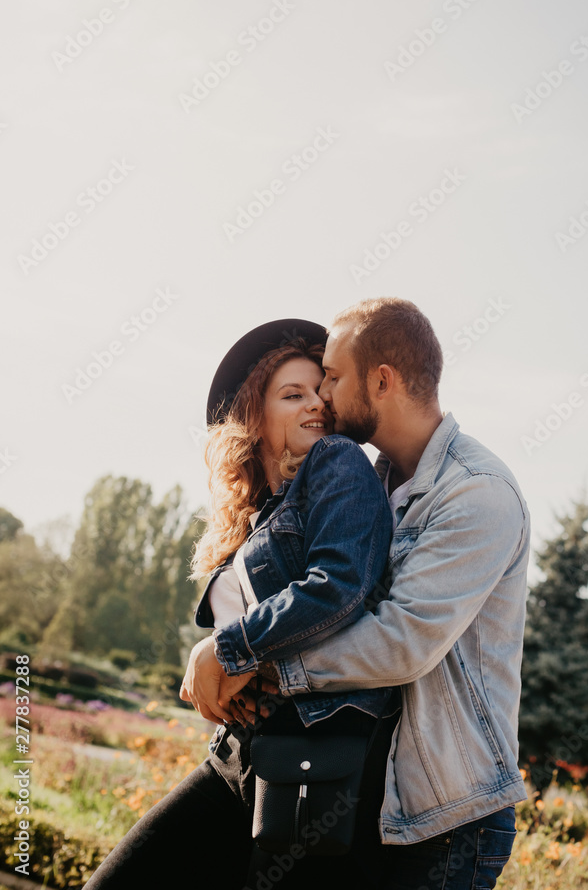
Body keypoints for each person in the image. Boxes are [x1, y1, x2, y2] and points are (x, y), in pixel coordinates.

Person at [185, 297, 531, 890]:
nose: (325, 397)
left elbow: (402, 642)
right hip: (378, 790)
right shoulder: (376, 484)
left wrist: (255, 659)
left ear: (382, 380)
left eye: (334, 379)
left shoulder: (478, 492)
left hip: (450, 815)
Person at [83, 318, 399, 890]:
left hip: (311, 757)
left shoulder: (338, 460)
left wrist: (224, 652)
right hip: (240, 754)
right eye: (293, 394)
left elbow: (338, 586)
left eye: (320, 391)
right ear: (255, 419)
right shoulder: (266, 514)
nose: (318, 405)